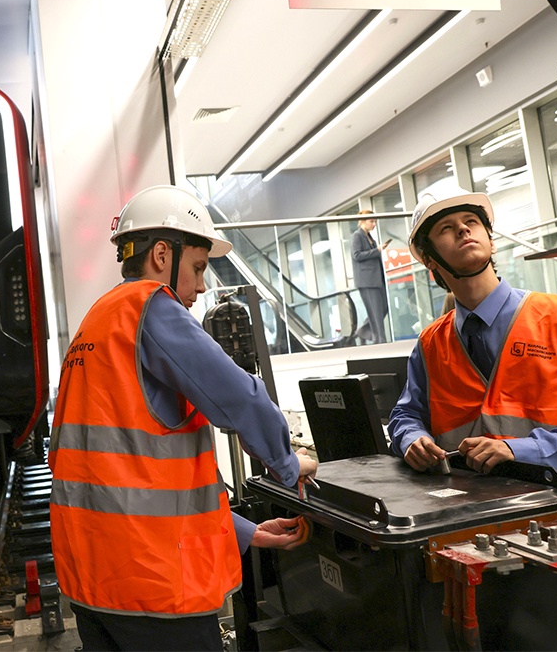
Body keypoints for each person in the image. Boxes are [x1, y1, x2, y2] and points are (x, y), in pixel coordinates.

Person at [48, 185, 318, 651]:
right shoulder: (151, 308)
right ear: (160, 255)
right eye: (196, 268)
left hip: (93, 585)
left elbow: (134, 477)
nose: (199, 287)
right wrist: (287, 464)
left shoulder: (97, 322)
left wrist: (246, 532)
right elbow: (241, 398)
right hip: (152, 588)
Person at [387, 186, 557, 535]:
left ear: (490, 240)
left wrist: (519, 449)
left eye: (471, 221)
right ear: (430, 260)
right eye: (446, 227)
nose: (463, 229)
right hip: (478, 531)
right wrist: (410, 438)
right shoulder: (430, 344)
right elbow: (405, 413)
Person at [350, 209, 390, 343]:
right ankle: (379, 339)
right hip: (366, 280)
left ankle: (364, 330)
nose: (374, 224)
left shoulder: (368, 236)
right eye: (372, 221)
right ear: (363, 221)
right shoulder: (357, 235)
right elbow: (356, 255)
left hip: (376, 279)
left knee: (383, 307)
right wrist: (377, 250)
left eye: (375, 221)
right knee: (376, 311)